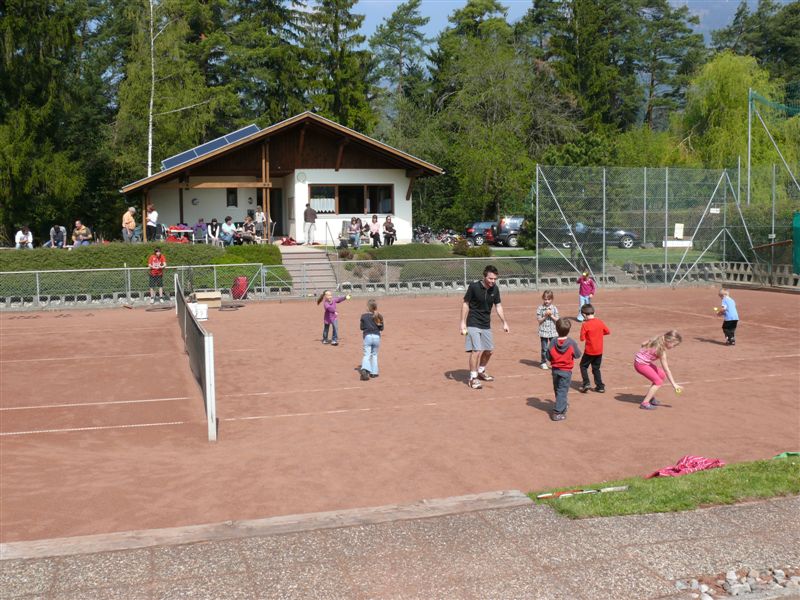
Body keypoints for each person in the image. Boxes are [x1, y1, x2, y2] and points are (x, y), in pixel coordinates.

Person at [459, 265, 510, 390]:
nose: (493, 281)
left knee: (489, 350)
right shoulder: (474, 287)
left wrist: (504, 322)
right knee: (476, 350)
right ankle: (473, 378)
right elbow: (466, 303)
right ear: (484, 276)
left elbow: (498, 306)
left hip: (486, 323)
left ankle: (481, 371)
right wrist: (462, 323)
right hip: (473, 322)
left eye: (495, 279)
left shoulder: (495, 289)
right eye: (490, 278)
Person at [634, 330, 683, 410]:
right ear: (669, 341)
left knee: (661, 375)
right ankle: (645, 403)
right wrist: (674, 385)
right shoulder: (661, 352)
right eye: (674, 345)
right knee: (658, 382)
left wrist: (644, 352)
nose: (673, 347)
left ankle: (650, 397)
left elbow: (643, 343)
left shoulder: (656, 339)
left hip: (642, 363)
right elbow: (667, 370)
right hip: (641, 365)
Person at [547, 318, 582, 421]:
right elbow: (578, 354)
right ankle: (557, 412)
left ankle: (562, 404)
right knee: (562, 390)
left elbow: (548, 356)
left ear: (556, 329)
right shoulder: (571, 342)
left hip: (555, 370)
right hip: (566, 371)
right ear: (569, 330)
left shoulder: (553, 341)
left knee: (558, 388)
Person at [578, 303, 610, 393]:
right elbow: (607, 331)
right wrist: (598, 334)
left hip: (589, 351)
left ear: (584, 315)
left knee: (583, 366)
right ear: (594, 313)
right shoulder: (600, 322)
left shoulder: (585, 325)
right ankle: (600, 386)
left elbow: (582, 338)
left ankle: (586, 383)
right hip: (599, 351)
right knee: (596, 368)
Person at [360, 298, 384, 380]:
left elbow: (361, 327)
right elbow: (382, 328)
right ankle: (374, 373)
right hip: (377, 337)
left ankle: (365, 369)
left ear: (368, 307)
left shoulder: (363, 316)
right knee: (374, 354)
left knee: (367, 354)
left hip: (367, 336)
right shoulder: (379, 316)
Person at [536, 290, 559, 370]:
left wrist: (551, 315)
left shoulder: (554, 308)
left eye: (549, 299)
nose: (547, 301)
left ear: (552, 299)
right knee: (544, 348)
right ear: (543, 298)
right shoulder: (540, 308)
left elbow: (557, 320)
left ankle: (554, 362)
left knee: (553, 348)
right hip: (543, 332)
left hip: (553, 331)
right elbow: (539, 320)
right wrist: (545, 316)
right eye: (545, 299)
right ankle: (543, 362)